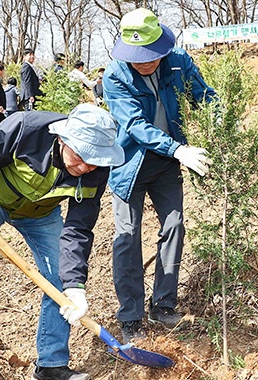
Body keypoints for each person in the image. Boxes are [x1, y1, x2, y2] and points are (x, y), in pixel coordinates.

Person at [0, 103, 124, 380]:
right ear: (62, 138)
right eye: (81, 157)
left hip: (42, 215)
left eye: (94, 161)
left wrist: (75, 286)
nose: (85, 167)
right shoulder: (25, 128)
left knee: (60, 276)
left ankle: (51, 364)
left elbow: (79, 227)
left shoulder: (96, 169)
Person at [101, 8, 216, 344]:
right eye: (138, 58)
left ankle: (163, 305)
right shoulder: (115, 76)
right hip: (129, 164)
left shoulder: (178, 62)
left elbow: (205, 96)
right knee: (127, 236)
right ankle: (131, 317)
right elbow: (135, 125)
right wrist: (178, 149)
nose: (145, 63)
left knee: (174, 226)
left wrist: (221, 120)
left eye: (151, 55)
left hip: (166, 166)